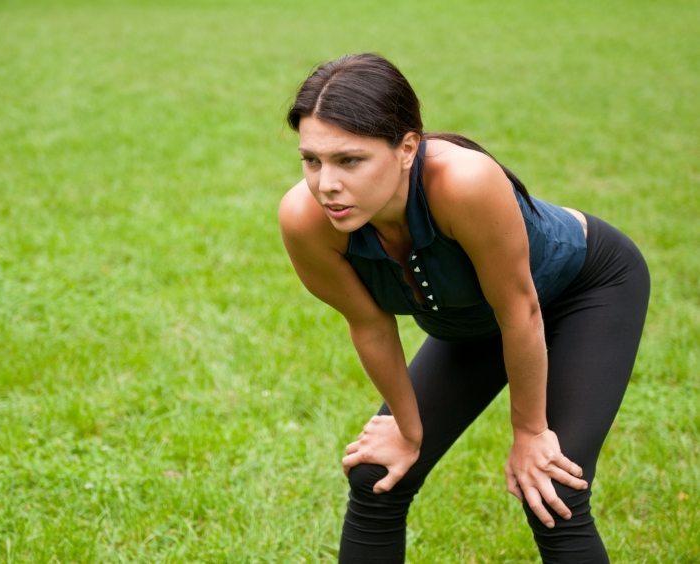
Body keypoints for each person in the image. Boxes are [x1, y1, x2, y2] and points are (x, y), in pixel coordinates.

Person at [278, 53, 650, 563]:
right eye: (312, 160)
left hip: (583, 291)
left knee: (552, 491)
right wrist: (408, 432)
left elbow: (521, 312)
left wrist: (530, 432)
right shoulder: (306, 220)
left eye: (350, 160)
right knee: (378, 476)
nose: (326, 184)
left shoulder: (463, 183)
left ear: (407, 147)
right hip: (475, 324)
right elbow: (369, 325)